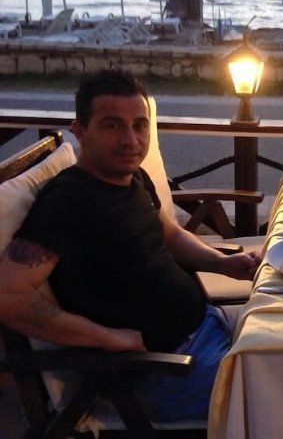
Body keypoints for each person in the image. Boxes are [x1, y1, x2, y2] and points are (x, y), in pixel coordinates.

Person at [0, 69, 261, 421]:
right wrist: (108, 337)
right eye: (112, 125)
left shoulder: (131, 176)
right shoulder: (69, 202)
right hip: (166, 371)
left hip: (208, 325)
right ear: (80, 131)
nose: (131, 140)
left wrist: (222, 263)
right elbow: (8, 295)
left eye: (139, 125)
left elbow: (169, 233)